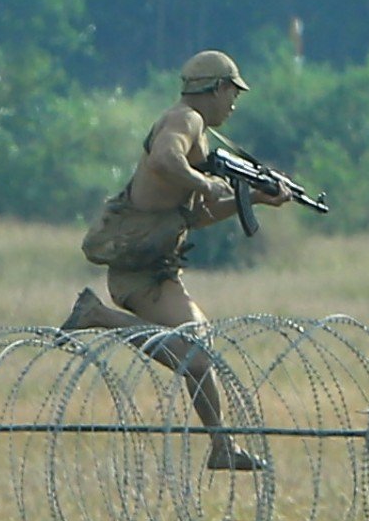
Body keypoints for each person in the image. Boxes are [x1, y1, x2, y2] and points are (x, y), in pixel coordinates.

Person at [63, 49, 292, 470]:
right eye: (232, 92)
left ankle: (222, 446)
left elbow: (193, 216)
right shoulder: (184, 120)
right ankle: (98, 315)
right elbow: (165, 159)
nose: (234, 103)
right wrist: (205, 183)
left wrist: (255, 196)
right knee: (197, 356)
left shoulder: (202, 134)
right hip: (138, 268)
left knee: (199, 350)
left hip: (156, 266)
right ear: (217, 88)